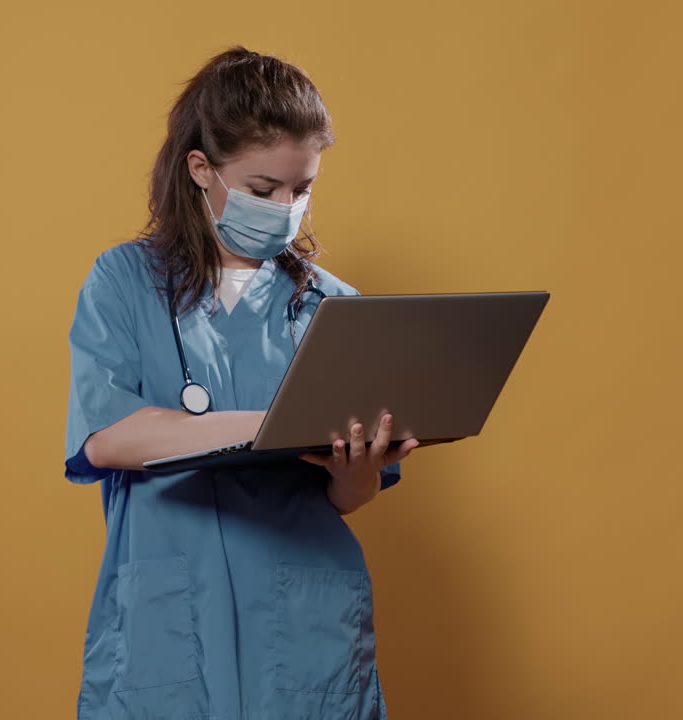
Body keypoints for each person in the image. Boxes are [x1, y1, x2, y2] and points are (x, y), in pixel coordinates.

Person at [63, 46, 419, 720]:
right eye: (262, 190)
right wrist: (277, 422)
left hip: (302, 613)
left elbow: (347, 498)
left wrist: (360, 466)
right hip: (170, 617)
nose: (285, 207)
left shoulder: (332, 310)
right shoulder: (123, 283)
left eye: (302, 188)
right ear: (202, 168)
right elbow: (109, 436)